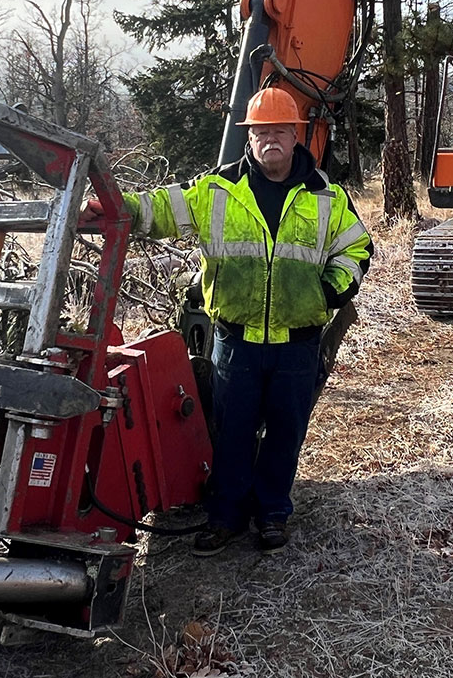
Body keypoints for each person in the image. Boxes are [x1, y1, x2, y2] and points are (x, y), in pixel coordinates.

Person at [94, 87, 373, 556]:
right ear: (250, 136)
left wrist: (327, 292)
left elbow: (357, 248)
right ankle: (225, 516)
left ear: (295, 135)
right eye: (260, 131)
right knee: (232, 431)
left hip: (297, 342)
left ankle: (272, 514)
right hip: (236, 340)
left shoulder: (325, 195)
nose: (269, 139)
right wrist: (110, 207)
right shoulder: (218, 190)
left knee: (287, 431)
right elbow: (161, 208)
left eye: (279, 130)